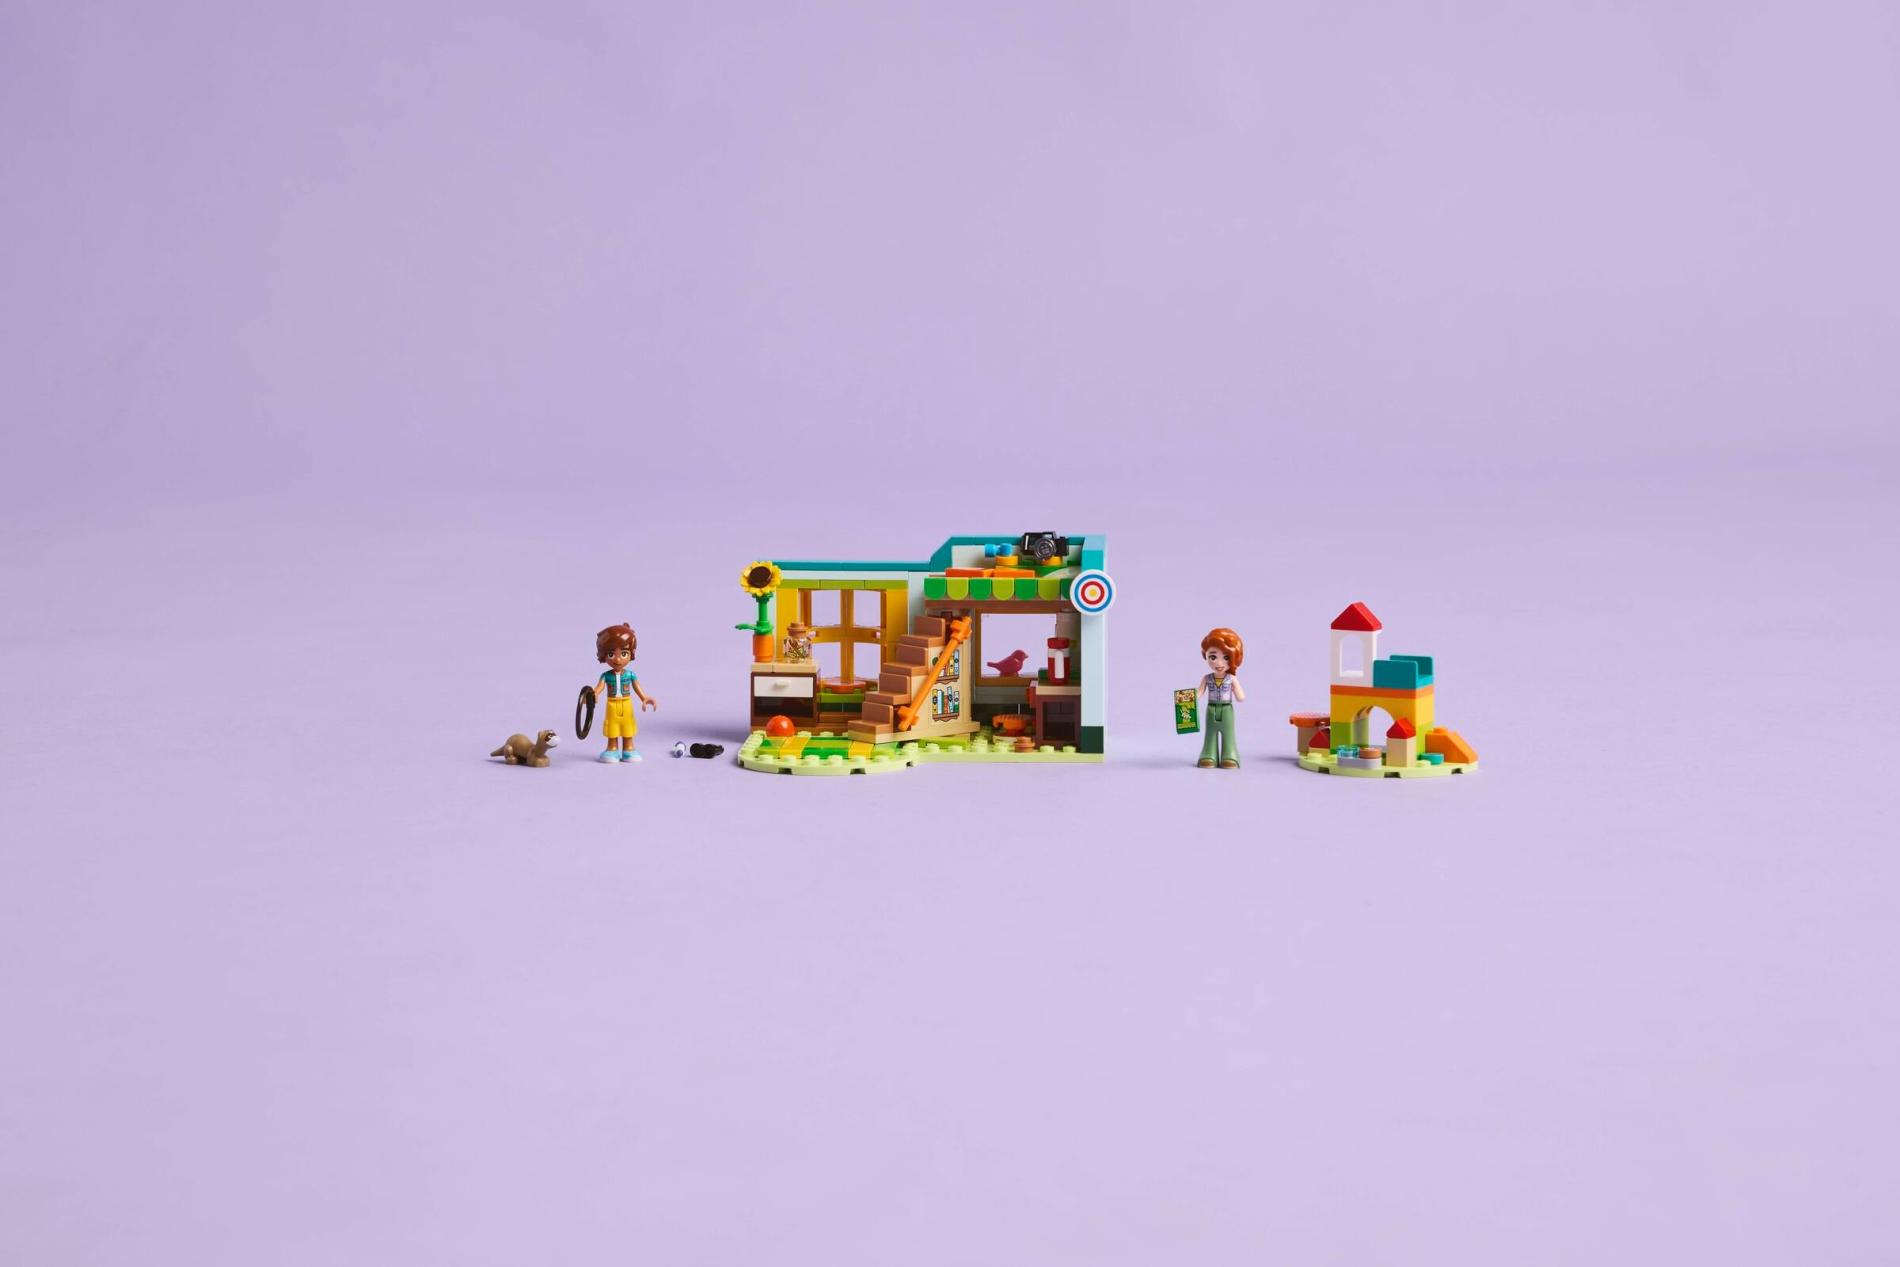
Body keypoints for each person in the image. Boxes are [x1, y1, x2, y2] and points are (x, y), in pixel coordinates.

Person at [592, 622, 659, 763]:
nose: (617, 659)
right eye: (611, 654)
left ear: (631, 653)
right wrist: (594, 694)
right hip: (612, 705)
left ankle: (629, 749)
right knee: (612, 727)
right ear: (604, 655)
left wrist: (644, 698)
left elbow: (636, 686)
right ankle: (612, 749)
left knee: (628, 726)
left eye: (623, 653)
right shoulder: (606, 676)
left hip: (627, 704)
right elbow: (599, 688)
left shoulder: (630, 675)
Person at [1196, 627, 1245, 769]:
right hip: (1211, 709)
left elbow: (1241, 697)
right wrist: (1187, 699)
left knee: (1228, 733)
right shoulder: (1207, 678)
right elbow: (1199, 693)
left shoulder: (1232, 679)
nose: (1219, 663)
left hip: (1226, 709)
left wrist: (1238, 693)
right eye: (1213, 657)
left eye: (1226, 657)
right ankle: (1208, 753)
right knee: (1210, 733)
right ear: (1205, 655)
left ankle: (1230, 754)